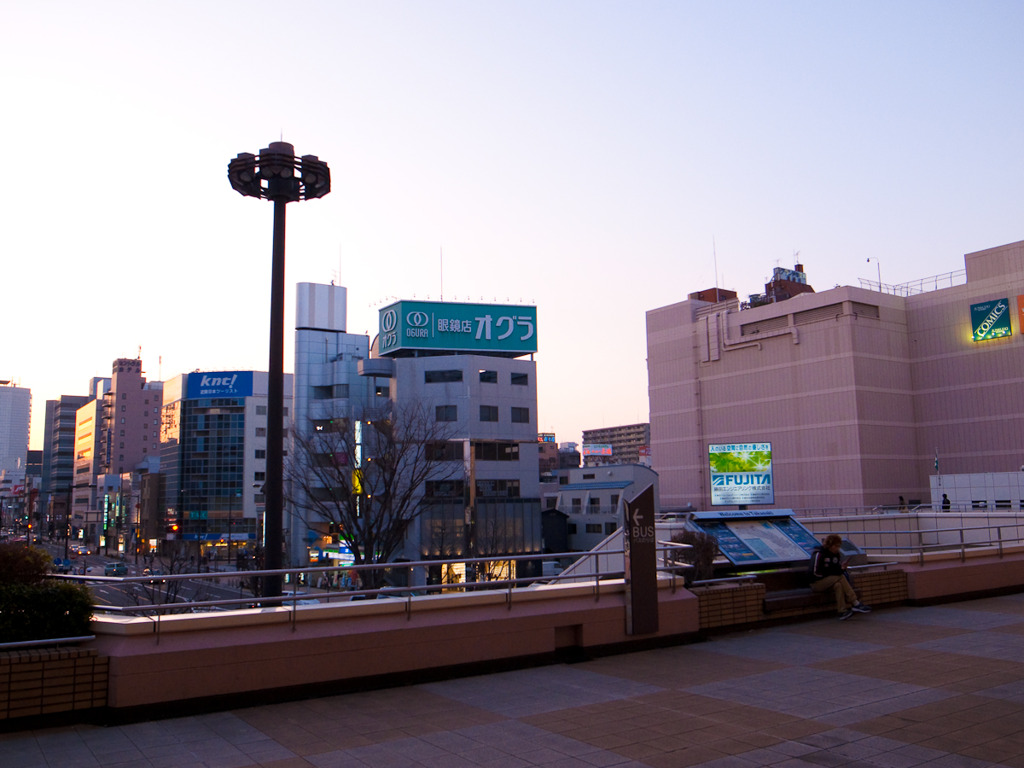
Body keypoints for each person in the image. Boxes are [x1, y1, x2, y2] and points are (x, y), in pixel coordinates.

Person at [810, 534, 871, 620]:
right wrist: (832, 574)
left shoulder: (836, 555)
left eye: (839, 546)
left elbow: (836, 570)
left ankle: (842, 611)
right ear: (830, 545)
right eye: (836, 546)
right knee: (840, 577)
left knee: (838, 585)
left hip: (830, 582)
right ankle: (855, 602)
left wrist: (841, 568)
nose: (837, 548)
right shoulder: (819, 554)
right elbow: (814, 573)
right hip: (817, 583)